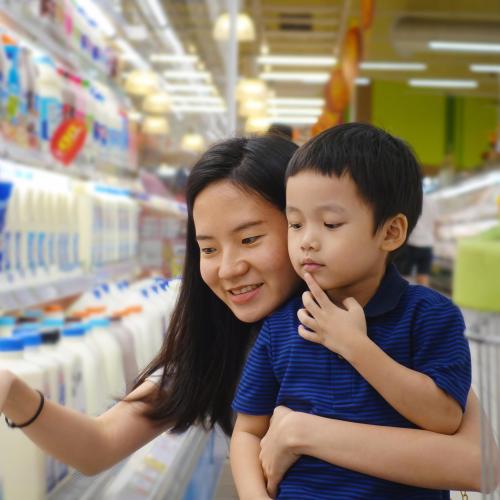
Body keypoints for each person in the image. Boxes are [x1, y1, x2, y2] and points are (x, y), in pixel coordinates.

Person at [0, 136, 489, 494]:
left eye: (251, 239)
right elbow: (98, 446)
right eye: (208, 248)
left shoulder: (392, 322)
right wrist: (15, 395)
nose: (228, 268)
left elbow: (476, 463)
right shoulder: (222, 346)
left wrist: (304, 432)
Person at [231, 124, 472, 499]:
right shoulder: (282, 322)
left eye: (330, 224)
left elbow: (445, 418)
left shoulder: (429, 316)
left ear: (390, 232)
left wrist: (355, 346)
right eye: (295, 223)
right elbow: (248, 430)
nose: (307, 240)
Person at [398, 190, 439, 286]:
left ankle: (402, 299)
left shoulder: (410, 200)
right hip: (427, 244)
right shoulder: (432, 202)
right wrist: (436, 240)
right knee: (423, 277)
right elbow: (437, 223)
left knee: (403, 276)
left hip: (411, 243)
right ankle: (423, 299)